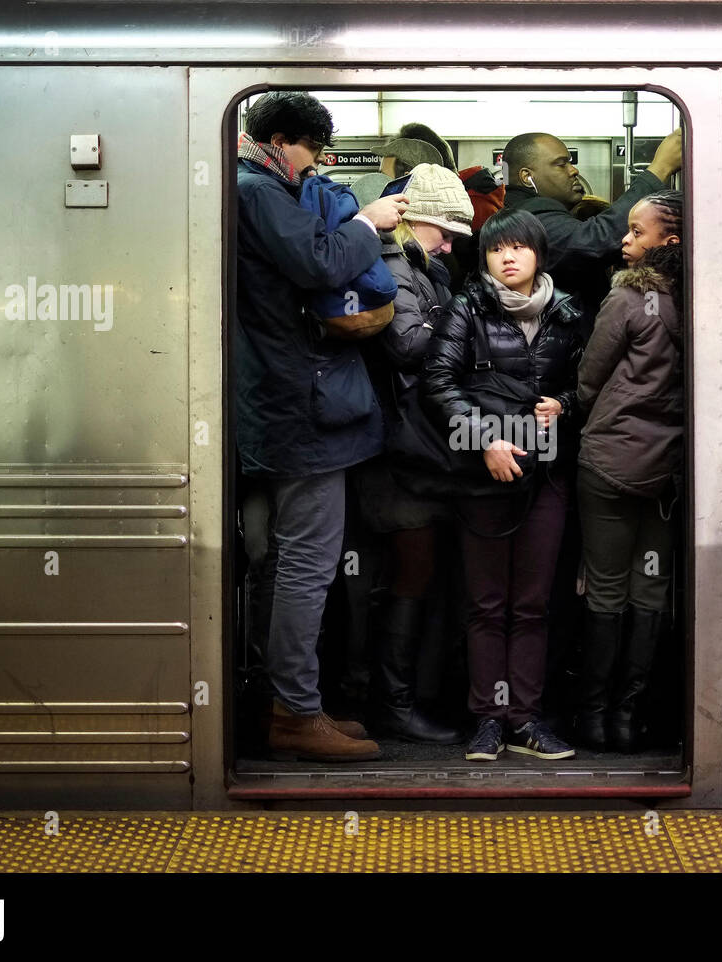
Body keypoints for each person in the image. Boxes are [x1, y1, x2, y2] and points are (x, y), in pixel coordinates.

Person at [235, 91, 409, 762]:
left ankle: (288, 700)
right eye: (308, 158)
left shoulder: (256, 186)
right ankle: (294, 713)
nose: (311, 173)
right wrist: (365, 221)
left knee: (282, 563)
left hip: (284, 402)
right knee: (307, 564)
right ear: (283, 140)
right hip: (300, 406)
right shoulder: (259, 191)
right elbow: (323, 264)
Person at [421, 208, 584, 762]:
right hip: (484, 473)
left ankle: (527, 721)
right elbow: (437, 383)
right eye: (495, 250)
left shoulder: (567, 313)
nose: (507, 257)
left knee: (534, 604)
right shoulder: (467, 308)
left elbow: (589, 387)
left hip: (548, 473)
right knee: (487, 602)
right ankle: (489, 720)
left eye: (518, 247)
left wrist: (565, 404)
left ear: (539, 254)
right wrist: (485, 438)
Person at [357, 164, 475, 743]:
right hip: (399, 450)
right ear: (413, 219)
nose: (451, 245)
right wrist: (465, 328)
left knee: (416, 575)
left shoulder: (419, 265)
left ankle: (404, 697)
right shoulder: (389, 263)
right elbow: (406, 346)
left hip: (412, 446)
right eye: (445, 231)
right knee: (411, 573)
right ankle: (394, 705)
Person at [573, 191, 685, 752]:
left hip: (611, 462)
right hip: (666, 471)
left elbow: (591, 378)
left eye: (637, 232)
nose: (625, 239)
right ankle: (628, 718)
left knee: (606, 589)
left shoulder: (628, 297)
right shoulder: (697, 303)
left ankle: (592, 720)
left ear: (668, 242)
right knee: (652, 589)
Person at [501, 129, 682, 332]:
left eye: (571, 163)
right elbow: (594, 241)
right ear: (527, 177)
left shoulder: (538, 215)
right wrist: (660, 168)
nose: (573, 171)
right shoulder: (528, 220)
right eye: (561, 164)